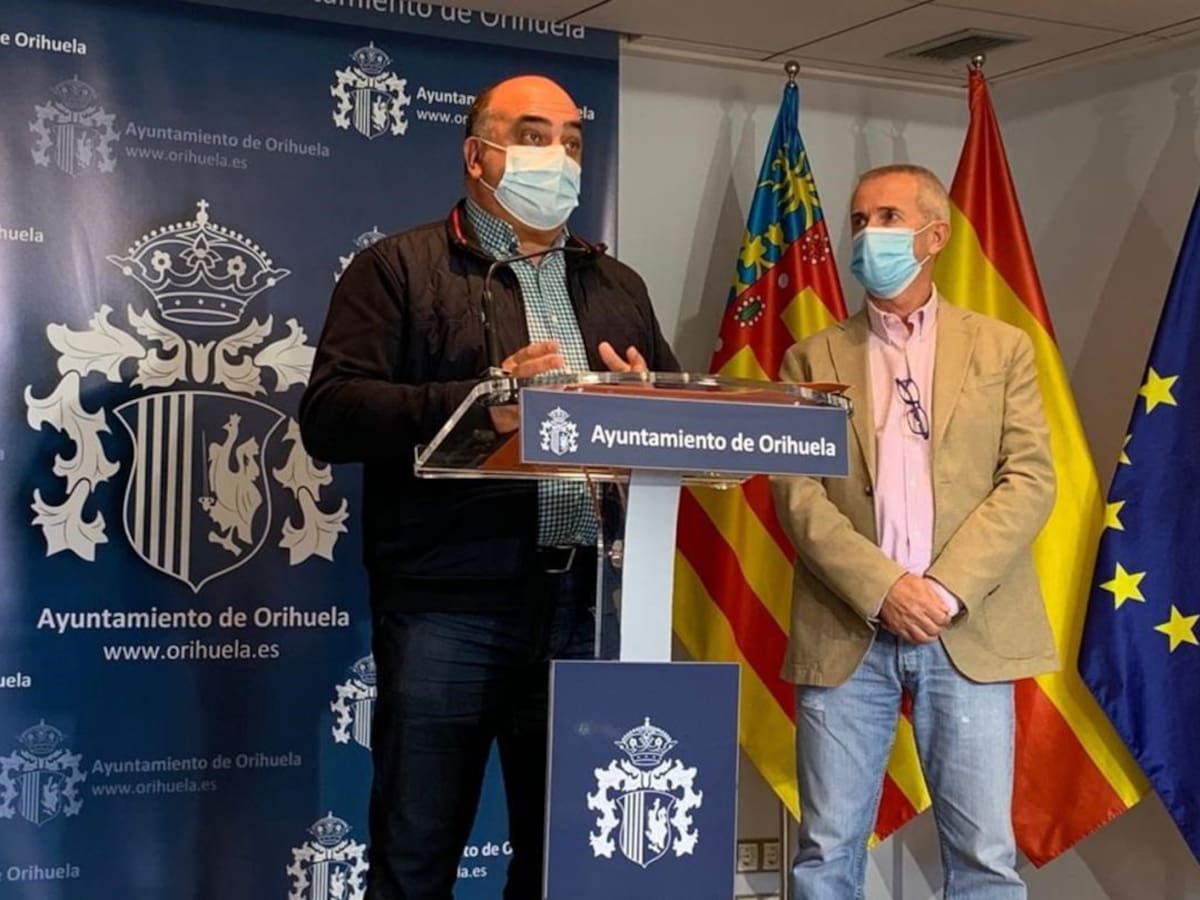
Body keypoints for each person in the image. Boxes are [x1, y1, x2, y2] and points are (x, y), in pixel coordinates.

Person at [299, 74, 678, 900]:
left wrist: (645, 406)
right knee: (415, 857)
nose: (560, 158)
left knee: (562, 867)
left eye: (573, 141)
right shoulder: (398, 268)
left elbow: (672, 419)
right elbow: (330, 415)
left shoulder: (618, 286)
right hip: (450, 606)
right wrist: (485, 399)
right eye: (536, 137)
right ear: (478, 156)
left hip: (586, 606)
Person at [770, 164, 1058, 899]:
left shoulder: (1001, 348)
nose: (869, 234)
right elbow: (797, 493)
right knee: (825, 853)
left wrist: (943, 590)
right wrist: (885, 588)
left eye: (888, 218)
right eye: (860, 221)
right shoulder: (811, 358)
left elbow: (1029, 480)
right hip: (848, 629)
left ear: (935, 236)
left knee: (984, 857)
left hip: (966, 631)